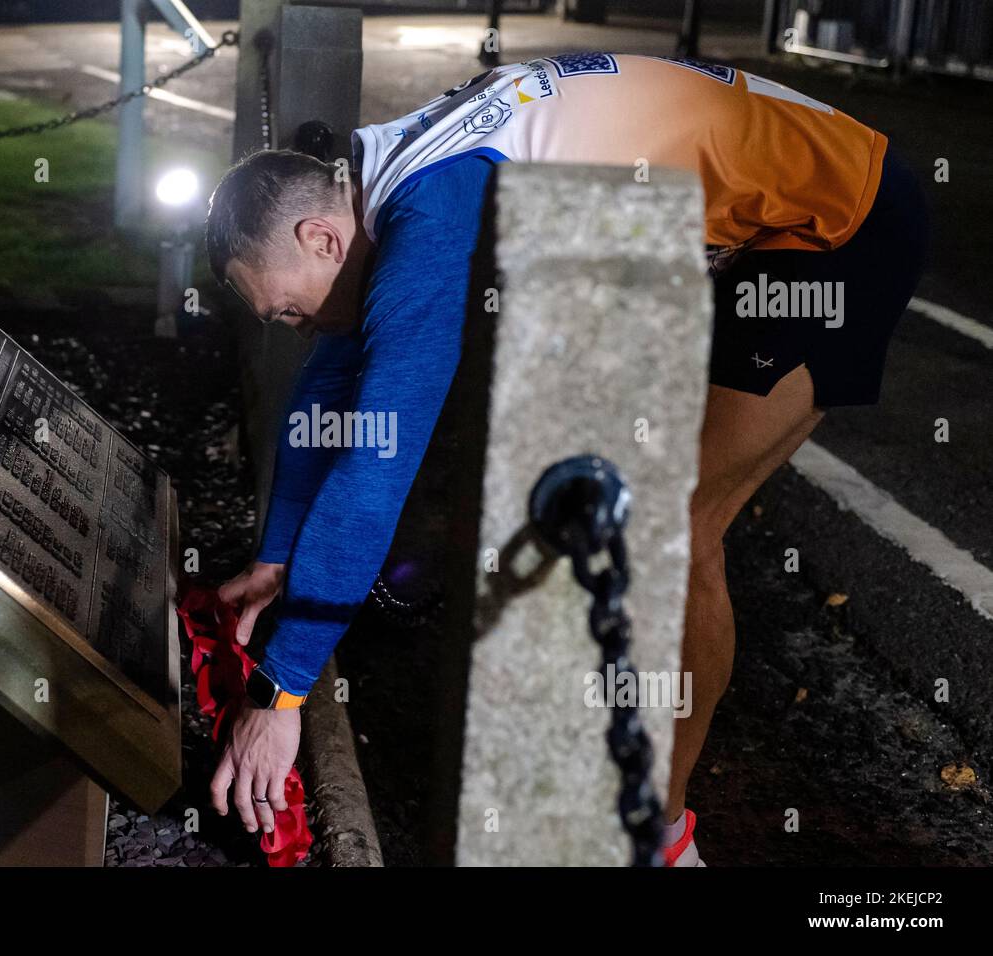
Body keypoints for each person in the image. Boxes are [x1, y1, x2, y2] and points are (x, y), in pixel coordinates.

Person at [203, 53, 929, 866]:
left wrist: (281, 691)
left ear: (319, 236)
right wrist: (277, 560)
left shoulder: (432, 219)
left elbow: (378, 464)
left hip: (842, 221)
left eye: (291, 311)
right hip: (750, 222)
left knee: (677, 529)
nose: (300, 328)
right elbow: (328, 381)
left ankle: (660, 839)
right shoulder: (387, 168)